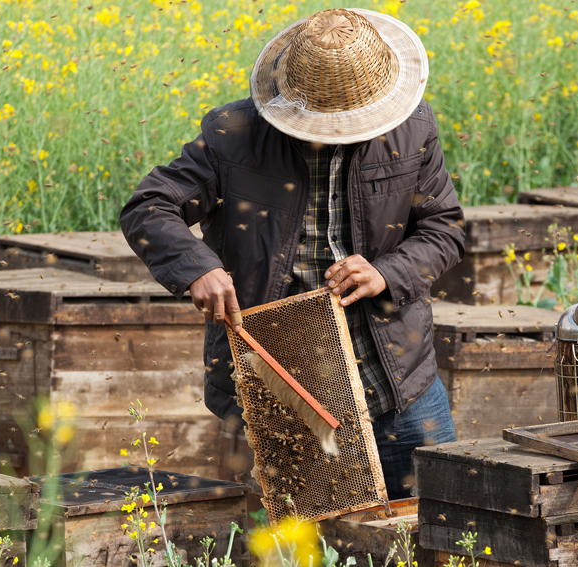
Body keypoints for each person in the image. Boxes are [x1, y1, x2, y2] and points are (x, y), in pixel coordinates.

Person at [120, 8, 464, 498]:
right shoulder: (232, 135)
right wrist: (198, 268)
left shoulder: (414, 129)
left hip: (397, 380)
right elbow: (149, 206)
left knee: (436, 526)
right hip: (281, 384)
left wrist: (387, 272)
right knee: (305, 545)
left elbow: (443, 229)